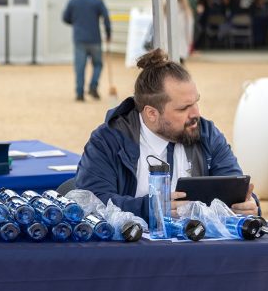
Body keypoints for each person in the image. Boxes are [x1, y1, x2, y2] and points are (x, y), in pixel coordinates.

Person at [74, 48, 257, 222]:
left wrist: (247, 205)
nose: (196, 114)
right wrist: (149, 209)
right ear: (151, 113)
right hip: (129, 250)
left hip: (198, 250)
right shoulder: (108, 141)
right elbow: (90, 203)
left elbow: (235, 187)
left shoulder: (207, 135)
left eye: (196, 102)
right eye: (183, 108)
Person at [62, 0, 112, 101]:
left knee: (80, 67)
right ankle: (93, 86)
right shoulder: (97, 1)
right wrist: (108, 33)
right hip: (95, 38)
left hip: (79, 39)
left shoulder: (73, 1)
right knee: (98, 64)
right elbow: (106, 18)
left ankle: (79, 94)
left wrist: (76, 22)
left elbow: (65, 18)